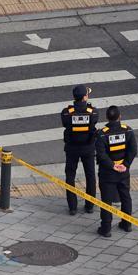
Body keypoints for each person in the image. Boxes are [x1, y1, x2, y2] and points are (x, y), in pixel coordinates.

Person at [96, 105, 137, 238]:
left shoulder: (102, 134)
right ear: (120, 117)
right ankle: (127, 224)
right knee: (125, 197)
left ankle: (106, 228)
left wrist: (112, 165)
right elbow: (133, 150)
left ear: (107, 118)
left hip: (107, 173)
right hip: (123, 172)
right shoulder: (128, 130)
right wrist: (125, 164)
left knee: (106, 201)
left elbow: (101, 155)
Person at [60, 84, 100, 214]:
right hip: (88, 148)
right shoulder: (93, 112)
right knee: (90, 176)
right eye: (87, 94)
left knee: (70, 176)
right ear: (84, 97)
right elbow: (94, 121)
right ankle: (89, 205)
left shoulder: (66, 112)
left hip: (72, 148)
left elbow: (65, 123)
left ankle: (72, 207)